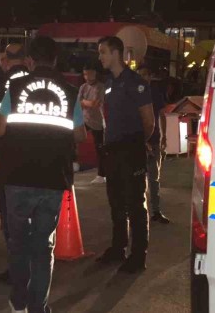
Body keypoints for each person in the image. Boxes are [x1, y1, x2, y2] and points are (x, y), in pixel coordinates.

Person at [0, 36, 86, 313]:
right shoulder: (70, 92)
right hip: (52, 178)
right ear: (55, 60)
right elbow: (80, 136)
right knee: (43, 247)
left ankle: (18, 303)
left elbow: (0, 129)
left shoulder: (15, 87)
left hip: (18, 176)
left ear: (30, 60)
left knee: (18, 244)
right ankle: (38, 307)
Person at [96, 36, 154, 273]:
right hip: (113, 151)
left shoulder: (135, 82)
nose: (99, 57)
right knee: (116, 203)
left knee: (135, 204)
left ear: (115, 53)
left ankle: (138, 256)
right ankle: (118, 248)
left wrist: (136, 143)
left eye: (103, 52)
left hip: (130, 150)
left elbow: (148, 122)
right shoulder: (110, 83)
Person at [0, 43, 30, 284]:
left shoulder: (1, 81)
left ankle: (16, 269)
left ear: (7, 60)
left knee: (10, 218)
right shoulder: (35, 81)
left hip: (7, 158)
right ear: (27, 59)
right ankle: (33, 266)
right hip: (32, 157)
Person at [137, 65, 170, 224]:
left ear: (150, 76)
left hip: (153, 140)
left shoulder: (154, 93)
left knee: (154, 178)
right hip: (138, 141)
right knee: (139, 178)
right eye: (140, 75)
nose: (143, 78)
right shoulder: (134, 93)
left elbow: (162, 115)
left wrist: (164, 136)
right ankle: (140, 211)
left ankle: (155, 211)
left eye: (145, 74)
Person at [78, 63, 106, 184]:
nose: (87, 77)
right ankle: (74, 163)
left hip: (97, 122)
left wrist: (83, 102)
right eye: (85, 74)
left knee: (100, 148)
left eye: (89, 74)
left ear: (95, 73)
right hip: (85, 119)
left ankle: (102, 175)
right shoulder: (83, 87)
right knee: (72, 139)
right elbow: (78, 102)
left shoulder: (100, 87)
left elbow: (95, 104)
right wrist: (85, 102)